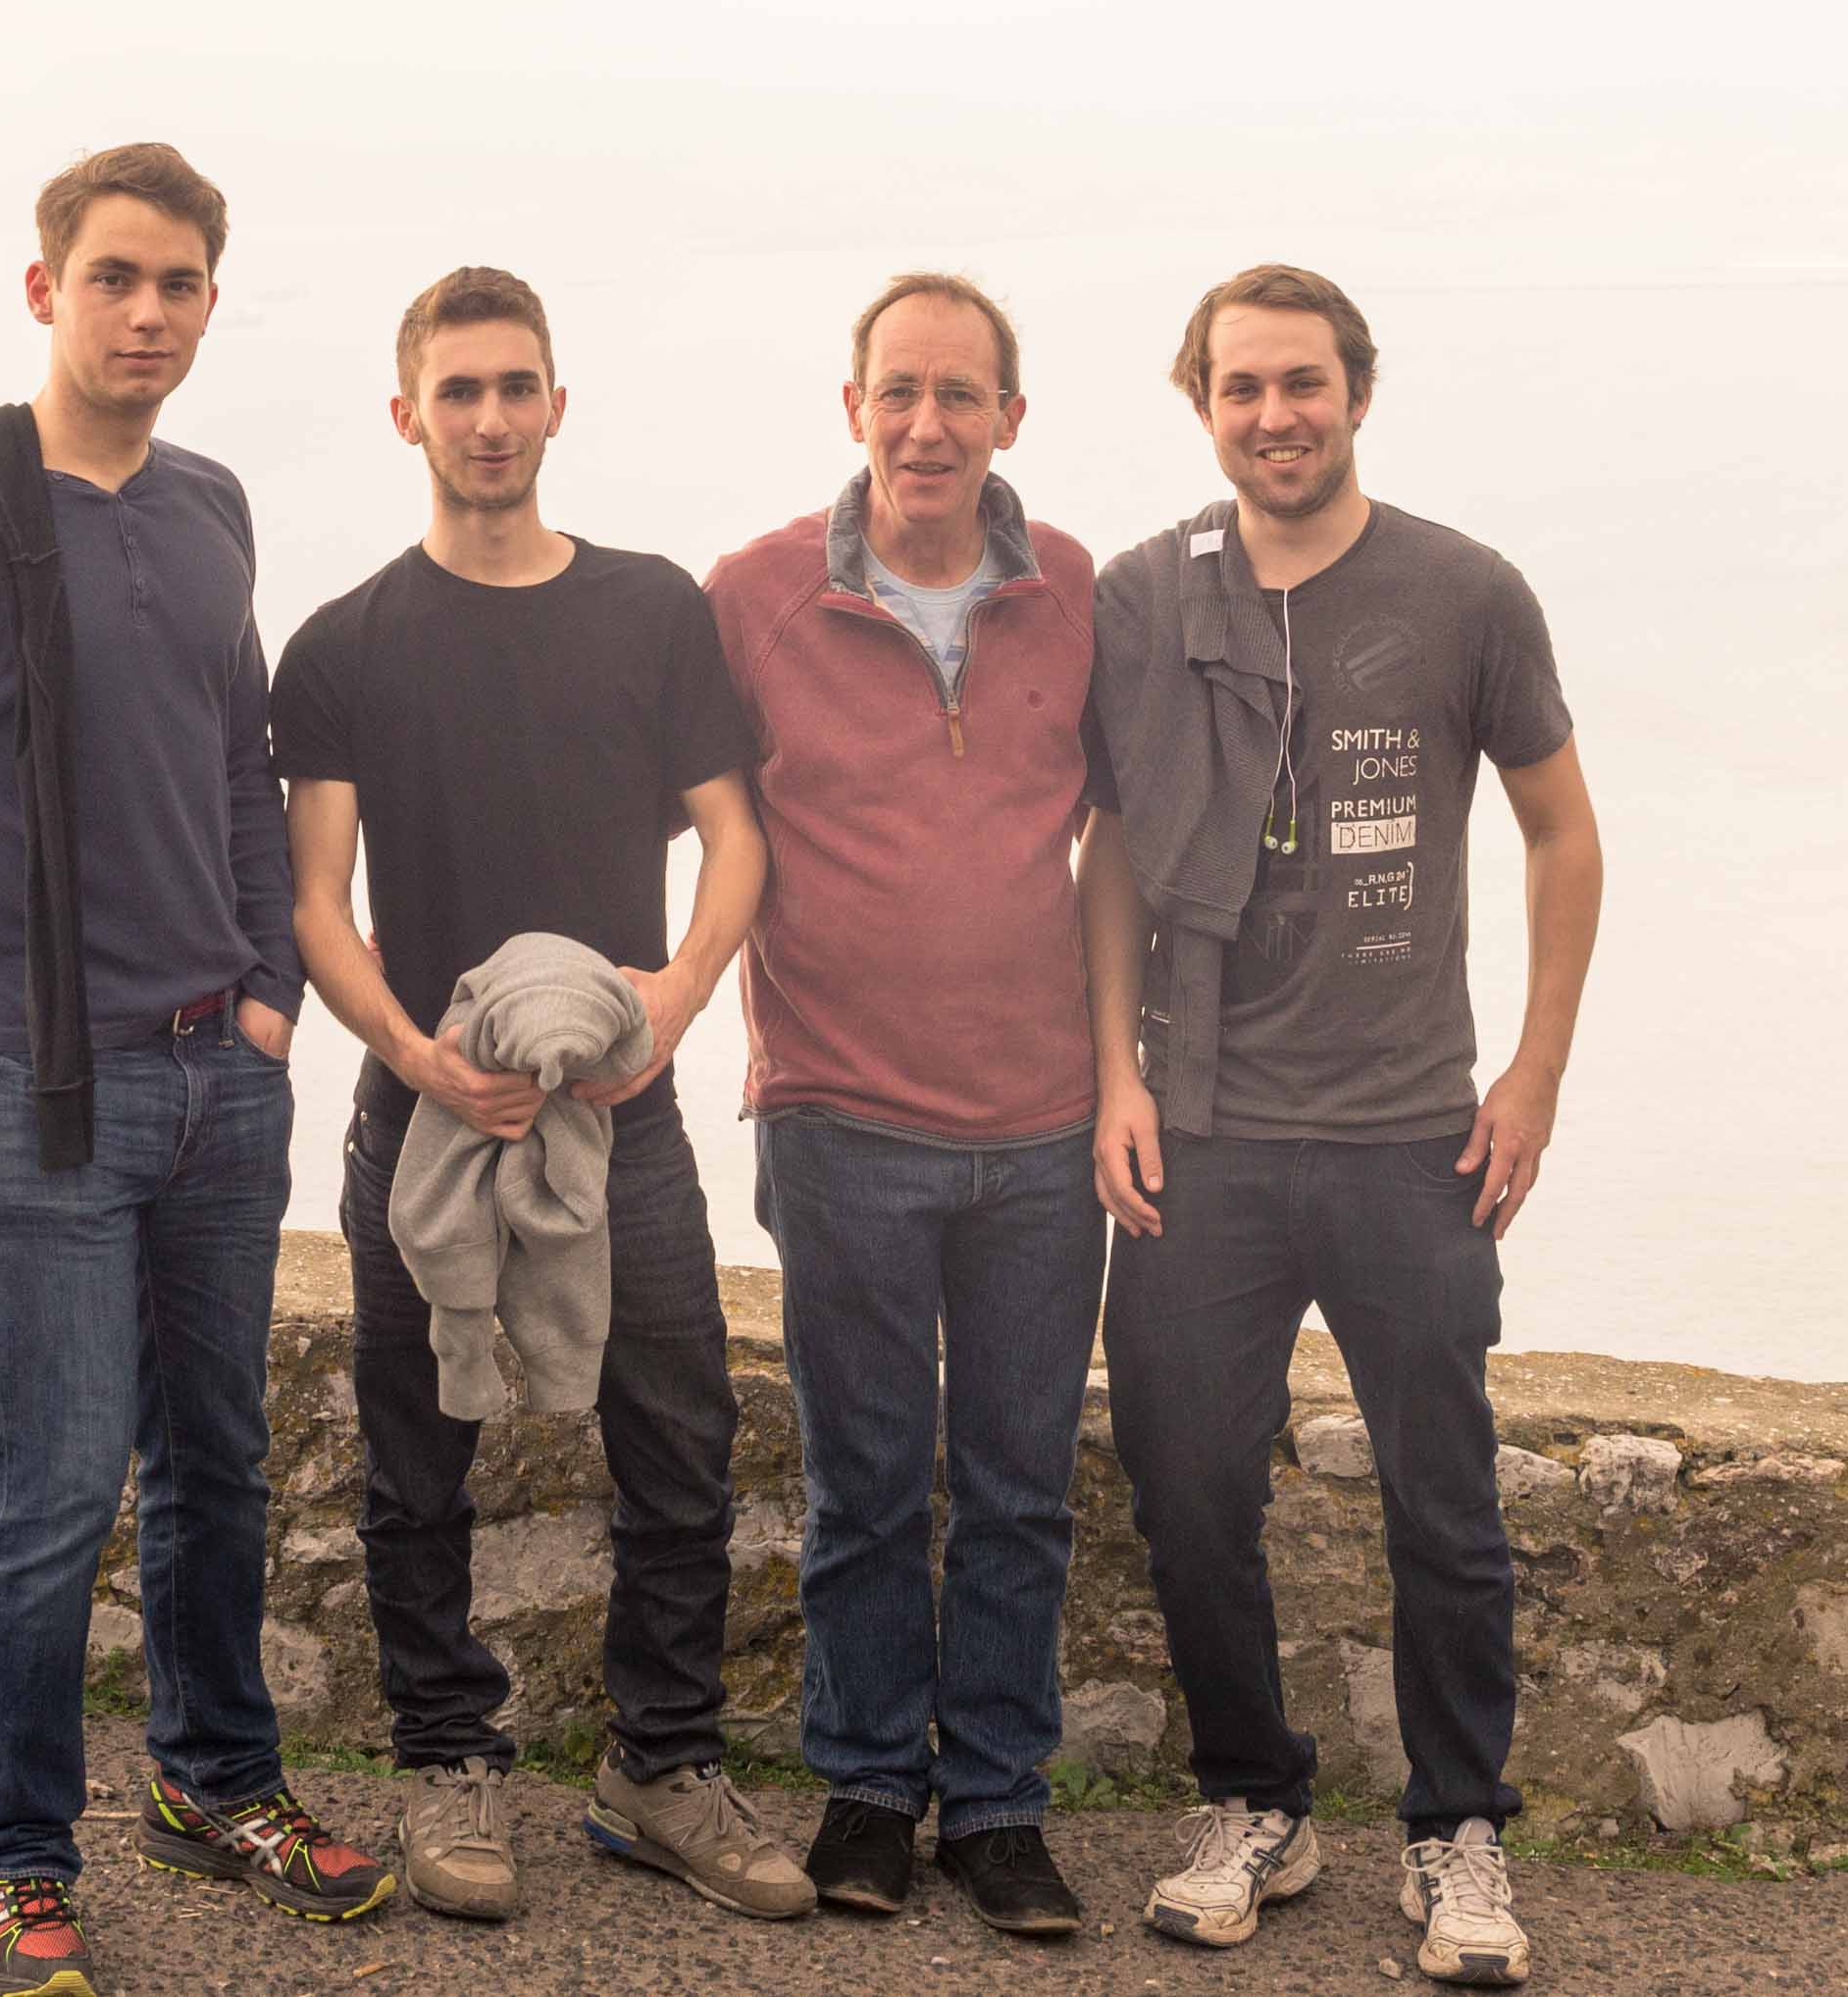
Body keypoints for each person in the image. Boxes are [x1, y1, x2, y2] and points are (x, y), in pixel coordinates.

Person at [0, 143, 394, 1997]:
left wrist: (271, 987)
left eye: (180, 284)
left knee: (220, 1459)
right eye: (115, 278)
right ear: (44, 290)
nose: (148, 313)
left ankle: (217, 1782)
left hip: (221, 1072)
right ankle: (10, 1852)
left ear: (213, 300)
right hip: (32, 1080)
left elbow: (233, 760)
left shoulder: (207, 503)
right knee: (47, 1489)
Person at [1079, 264, 1604, 1987]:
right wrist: (1116, 1078)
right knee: (1181, 1481)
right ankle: (1256, 1799)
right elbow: (1111, 860)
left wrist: (1530, 1073)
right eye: (1239, 388)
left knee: (1444, 1499)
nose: (1273, 415)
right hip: (1204, 1131)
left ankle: (1457, 1832)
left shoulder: (1463, 592)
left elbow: (1557, 833)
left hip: (1406, 1137)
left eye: (1301, 384)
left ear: (1356, 394)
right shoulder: (1146, 598)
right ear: (1201, 403)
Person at [274, 266, 810, 1924]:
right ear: (407, 415)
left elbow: (735, 834)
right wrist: (416, 1054)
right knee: (416, 1451)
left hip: (620, 1107)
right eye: (459, 392)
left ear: (557, 405)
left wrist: (676, 994)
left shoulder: (650, 608)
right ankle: (448, 1759)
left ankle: (659, 1766)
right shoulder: (344, 643)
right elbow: (312, 902)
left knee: (678, 1436)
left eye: (517, 387)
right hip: (417, 1119)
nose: (490, 418)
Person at [701, 274, 1104, 1935]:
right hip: (841, 1115)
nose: (926, 425)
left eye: (960, 395)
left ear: (1010, 415)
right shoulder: (748, 596)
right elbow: (699, 819)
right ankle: (868, 1788)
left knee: (1019, 1482)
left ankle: (997, 1808)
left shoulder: (1079, 589)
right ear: (851, 407)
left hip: (1043, 1127)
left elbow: (1143, 837)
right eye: (898, 393)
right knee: (865, 1478)